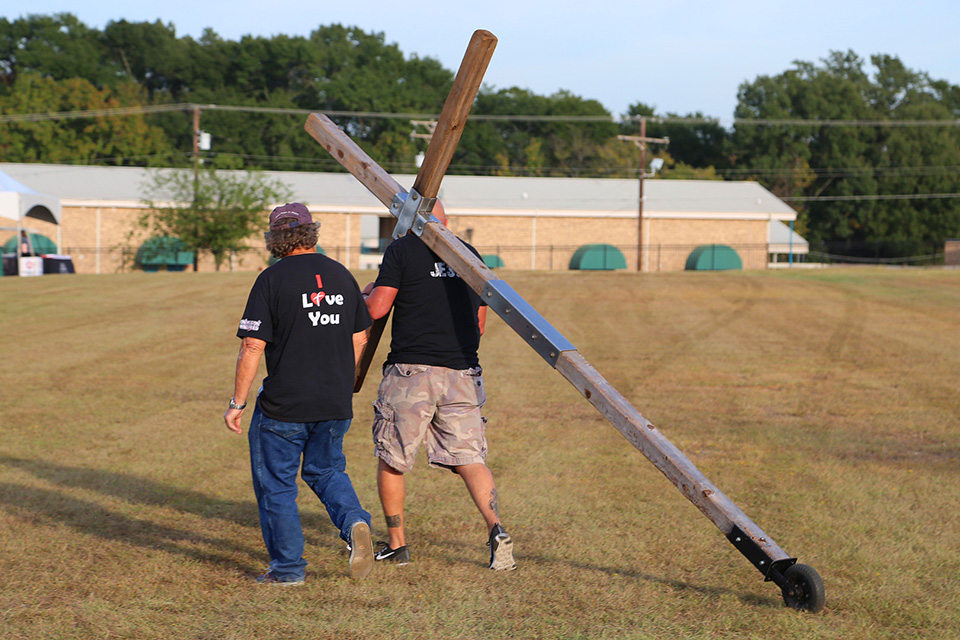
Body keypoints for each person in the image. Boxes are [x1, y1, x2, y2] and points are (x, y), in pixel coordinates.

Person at [224, 202, 375, 585]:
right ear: (312, 233)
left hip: (284, 406)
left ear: (275, 238)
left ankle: (288, 570)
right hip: (335, 401)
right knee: (326, 470)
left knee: (276, 485)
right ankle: (355, 521)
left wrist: (237, 403)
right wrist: (343, 380)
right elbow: (361, 337)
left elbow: (252, 347)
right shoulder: (341, 275)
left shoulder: (271, 279)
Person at [362, 200, 516, 571]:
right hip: (462, 373)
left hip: (412, 373)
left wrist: (366, 292)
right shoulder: (470, 255)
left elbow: (377, 309)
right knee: (470, 458)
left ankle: (398, 545)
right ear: (445, 222)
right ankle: (496, 529)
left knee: (393, 457)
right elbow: (479, 324)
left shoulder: (402, 249)